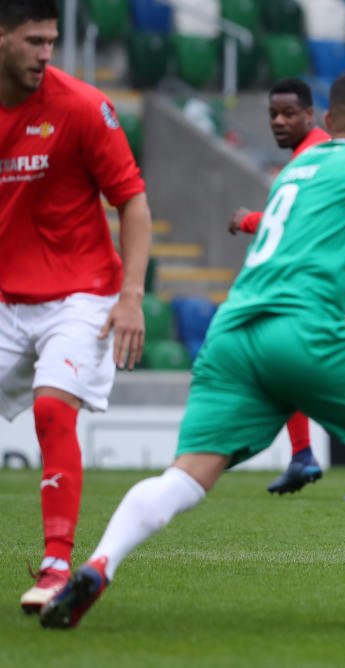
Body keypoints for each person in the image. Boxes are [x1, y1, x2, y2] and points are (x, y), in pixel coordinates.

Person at [40, 68, 345, 629]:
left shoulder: (297, 168)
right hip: (302, 327)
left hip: (231, 333)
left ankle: (100, 563)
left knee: (184, 476)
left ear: (327, 123)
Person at [0, 0, 152, 612]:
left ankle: (57, 564)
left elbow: (133, 203)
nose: (45, 54)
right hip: (8, 295)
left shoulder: (85, 107)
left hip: (82, 292)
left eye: (51, 41)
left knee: (52, 410)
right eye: (33, 41)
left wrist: (131, 297)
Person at [227, 78, 345, 500]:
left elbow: (295, 224)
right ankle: (302, 456)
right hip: (326, 278)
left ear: (311, 116)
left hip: (337, 280)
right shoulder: (308, 152)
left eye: (288, 114)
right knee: (285, 367)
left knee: (334, 376)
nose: (278, 122)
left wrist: (246, 221)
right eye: (273, 115)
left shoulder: (313, 154)